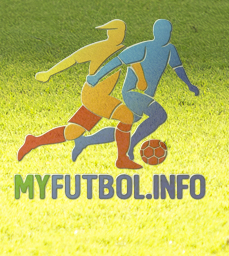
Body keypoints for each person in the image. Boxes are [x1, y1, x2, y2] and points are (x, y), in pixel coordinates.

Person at [17, 20, 139, 168]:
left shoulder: (124, 50)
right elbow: (73, 58)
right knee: (126, 116)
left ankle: (34, 141)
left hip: (98, 96)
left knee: (72, 132)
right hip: (95, 95)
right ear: (108, 33)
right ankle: (122, 159)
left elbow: (135, 63)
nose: (119, 35)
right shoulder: (98, 48)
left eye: (121, 32)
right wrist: (48, 73)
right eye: (114, 31)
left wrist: (142, 80)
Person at [77, 19, 199, 164]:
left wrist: (189, 85)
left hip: (145, 95)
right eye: (162, 32)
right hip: (132, 92)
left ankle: (84, 141)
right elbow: (117, 61)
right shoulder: (144, 47)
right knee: (160, 115)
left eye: (168, 32)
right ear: (155, 32)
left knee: (124, 127)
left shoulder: (170, 49)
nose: (165, 35)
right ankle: (131, 145)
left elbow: (178, 68)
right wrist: (96, 77)